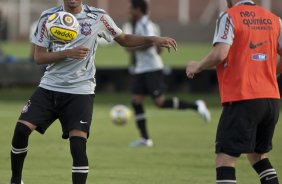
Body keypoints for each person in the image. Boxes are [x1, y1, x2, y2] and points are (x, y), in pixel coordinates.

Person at [9, 0, 177, 184]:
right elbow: (39, 57)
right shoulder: (48, 17)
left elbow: (124, 40)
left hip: (80, 91)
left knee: (78, 146)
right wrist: (67, 53)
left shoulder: (98, 17)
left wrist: (153, 39)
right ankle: (16, 180)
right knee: (21, 131)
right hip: (49, 87)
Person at [186, 0, 282, 183]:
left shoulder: (229, 16)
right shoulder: (274, 19)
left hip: (243, 98)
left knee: (225, 159)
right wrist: (272, 71)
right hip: (271, 99)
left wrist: (197, 65)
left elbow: (220, 54)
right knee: (258, 156)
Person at [124, 0, 211, 147]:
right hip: (142, 69)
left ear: (138, 9)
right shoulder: (142, 24)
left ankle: (196, 106)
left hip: (151, 69)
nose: (129, 12)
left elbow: (151, 43)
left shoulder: (145, 24)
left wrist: (131, 48)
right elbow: (158, 46)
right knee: (136, 101)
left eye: (131, 9)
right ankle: (145, 139)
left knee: (160, 102)